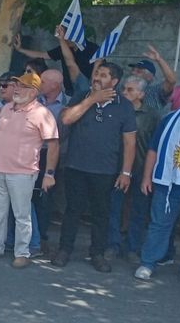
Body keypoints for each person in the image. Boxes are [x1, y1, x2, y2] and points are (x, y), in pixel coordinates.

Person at [54, 53, 136, 272]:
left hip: (105, 170)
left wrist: (126, 172)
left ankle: (97, 254)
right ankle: (64, 249)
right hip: (76, 165)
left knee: (101, 213)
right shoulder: (81, 95)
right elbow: (66, 119)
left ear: (114, 82)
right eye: (97, 74)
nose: (98, 77)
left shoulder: (124, 106)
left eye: (103, 75)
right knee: (72, 210)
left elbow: (129, 142)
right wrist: (91, 100)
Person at [0, 73, 59, 268]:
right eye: (17, 85)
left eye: (22, 86)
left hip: (23, 172)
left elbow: (54, 145)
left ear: (33, 91)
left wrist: (49, 174)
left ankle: (22, 252)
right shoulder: (6, 108)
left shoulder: (42, 113)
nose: (17, 89)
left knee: (22, 214)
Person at [135, 78, 180, 284]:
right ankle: (148, 262)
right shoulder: (171, 119)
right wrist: (147, 176)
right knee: (159, 224)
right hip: (169, 182)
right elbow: (153, 149)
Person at [108, 76, 158, 262]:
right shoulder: (115, 110)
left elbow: (155, 145)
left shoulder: (152, 115)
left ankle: (133, 248)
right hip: (116, 167)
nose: (124, 93)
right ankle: (112, 245)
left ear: (141, 94)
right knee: (114, 208)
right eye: (124, 89)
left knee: (139, 210)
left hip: (142, 169)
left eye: (130, 90)